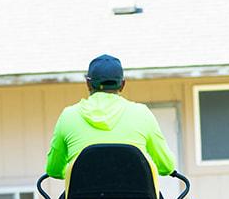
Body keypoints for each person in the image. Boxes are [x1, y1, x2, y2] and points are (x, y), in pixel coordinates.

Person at [45, 54, 176, 182]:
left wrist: (73, 172)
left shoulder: (69, 116)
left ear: (88, 84)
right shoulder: (142, 114)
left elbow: (54, 170)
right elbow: (166, 167)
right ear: (122, 84)